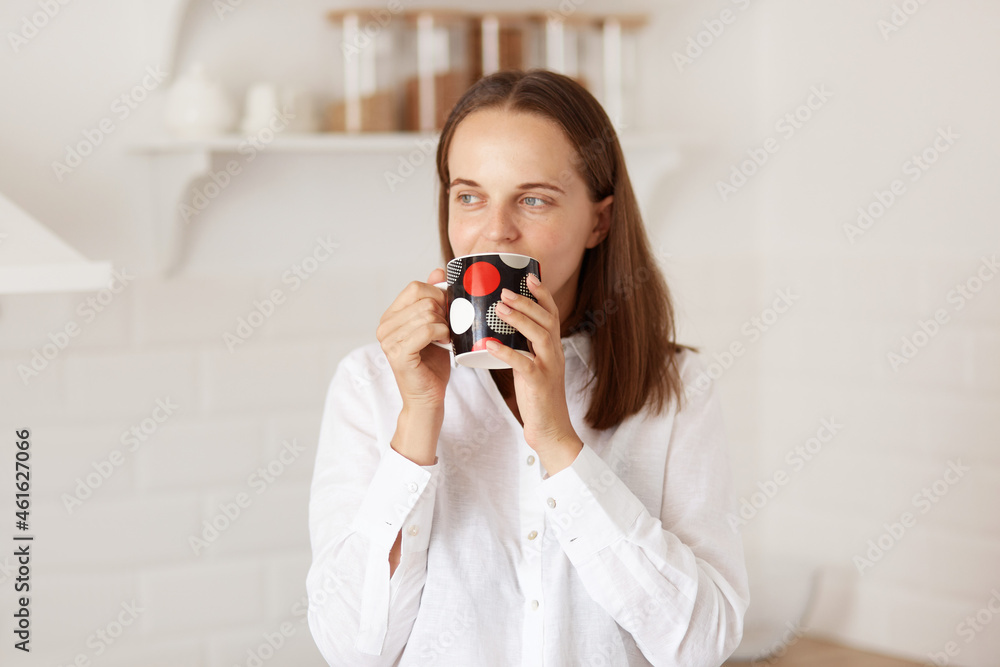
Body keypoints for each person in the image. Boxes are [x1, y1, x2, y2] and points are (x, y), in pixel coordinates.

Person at [306, 69, 749, 666]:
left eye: (533, 199)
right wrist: (418, 419)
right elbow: (351, 649)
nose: (495, 231)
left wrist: (559, 443)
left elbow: (702, 644)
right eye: (469, 196)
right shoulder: (370, 383)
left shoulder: (674, 389)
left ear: (599, 221)